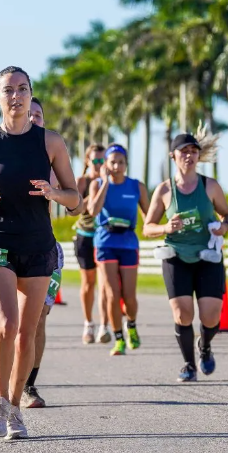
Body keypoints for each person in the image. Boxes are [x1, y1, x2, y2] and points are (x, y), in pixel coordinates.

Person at [0, 67, 79, 439]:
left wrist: (53, 193)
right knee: (7, 324)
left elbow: (75, 198)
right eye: (8, 90)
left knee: (27, 333)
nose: (16, 96)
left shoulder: (50, 142)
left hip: (37, 244)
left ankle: (13, 407)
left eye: (23, 89)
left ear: (30, 94)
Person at [143, 132, 228, 382]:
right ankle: (189, 365)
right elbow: (147, 227)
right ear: (173, 156)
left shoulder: (210, 186)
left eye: (193, 151)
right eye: (183, 151)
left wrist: (224, 226)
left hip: (208, 256)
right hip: (176, 256)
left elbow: (227, 214)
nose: (189, 155)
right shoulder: (164, 190)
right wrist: (166, 227)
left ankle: (204, 346)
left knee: (211, 316)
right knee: (182, 314)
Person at [85, 142, 149, 356]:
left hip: (128, 243)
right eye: (113, 162)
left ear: (126, 164)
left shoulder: (136, 186)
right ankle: (118, 338)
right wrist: (105, 182)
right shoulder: (97, 184)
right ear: (106, 164)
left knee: (129, 295)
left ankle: (131, 325)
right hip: (105, 242)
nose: (117, 166)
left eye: (121, 162)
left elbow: (149, 216)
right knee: (112, 294)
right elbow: (93, 211)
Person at [21, 96, 59, 409]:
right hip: (8, 249)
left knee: (39, 319)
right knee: (13, 322)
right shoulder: (0, 152)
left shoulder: (53, 160)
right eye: (29, 114)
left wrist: (54, 192)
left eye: (38, 115)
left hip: (45, 249)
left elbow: (76, 204)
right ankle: (8, 382)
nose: (33, 119)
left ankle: (28, 385)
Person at [71, 144, 110, 344]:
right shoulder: (82, 181)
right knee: (88, 283)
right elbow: (74, 209)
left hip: (106, 237)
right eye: (95, 160)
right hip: (85, 236)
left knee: (105, 284)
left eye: (103, 160)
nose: (99, 164)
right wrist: (93, 196)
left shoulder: (110, 181)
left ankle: (105, 326)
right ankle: (88, 324)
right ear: (87, 161)